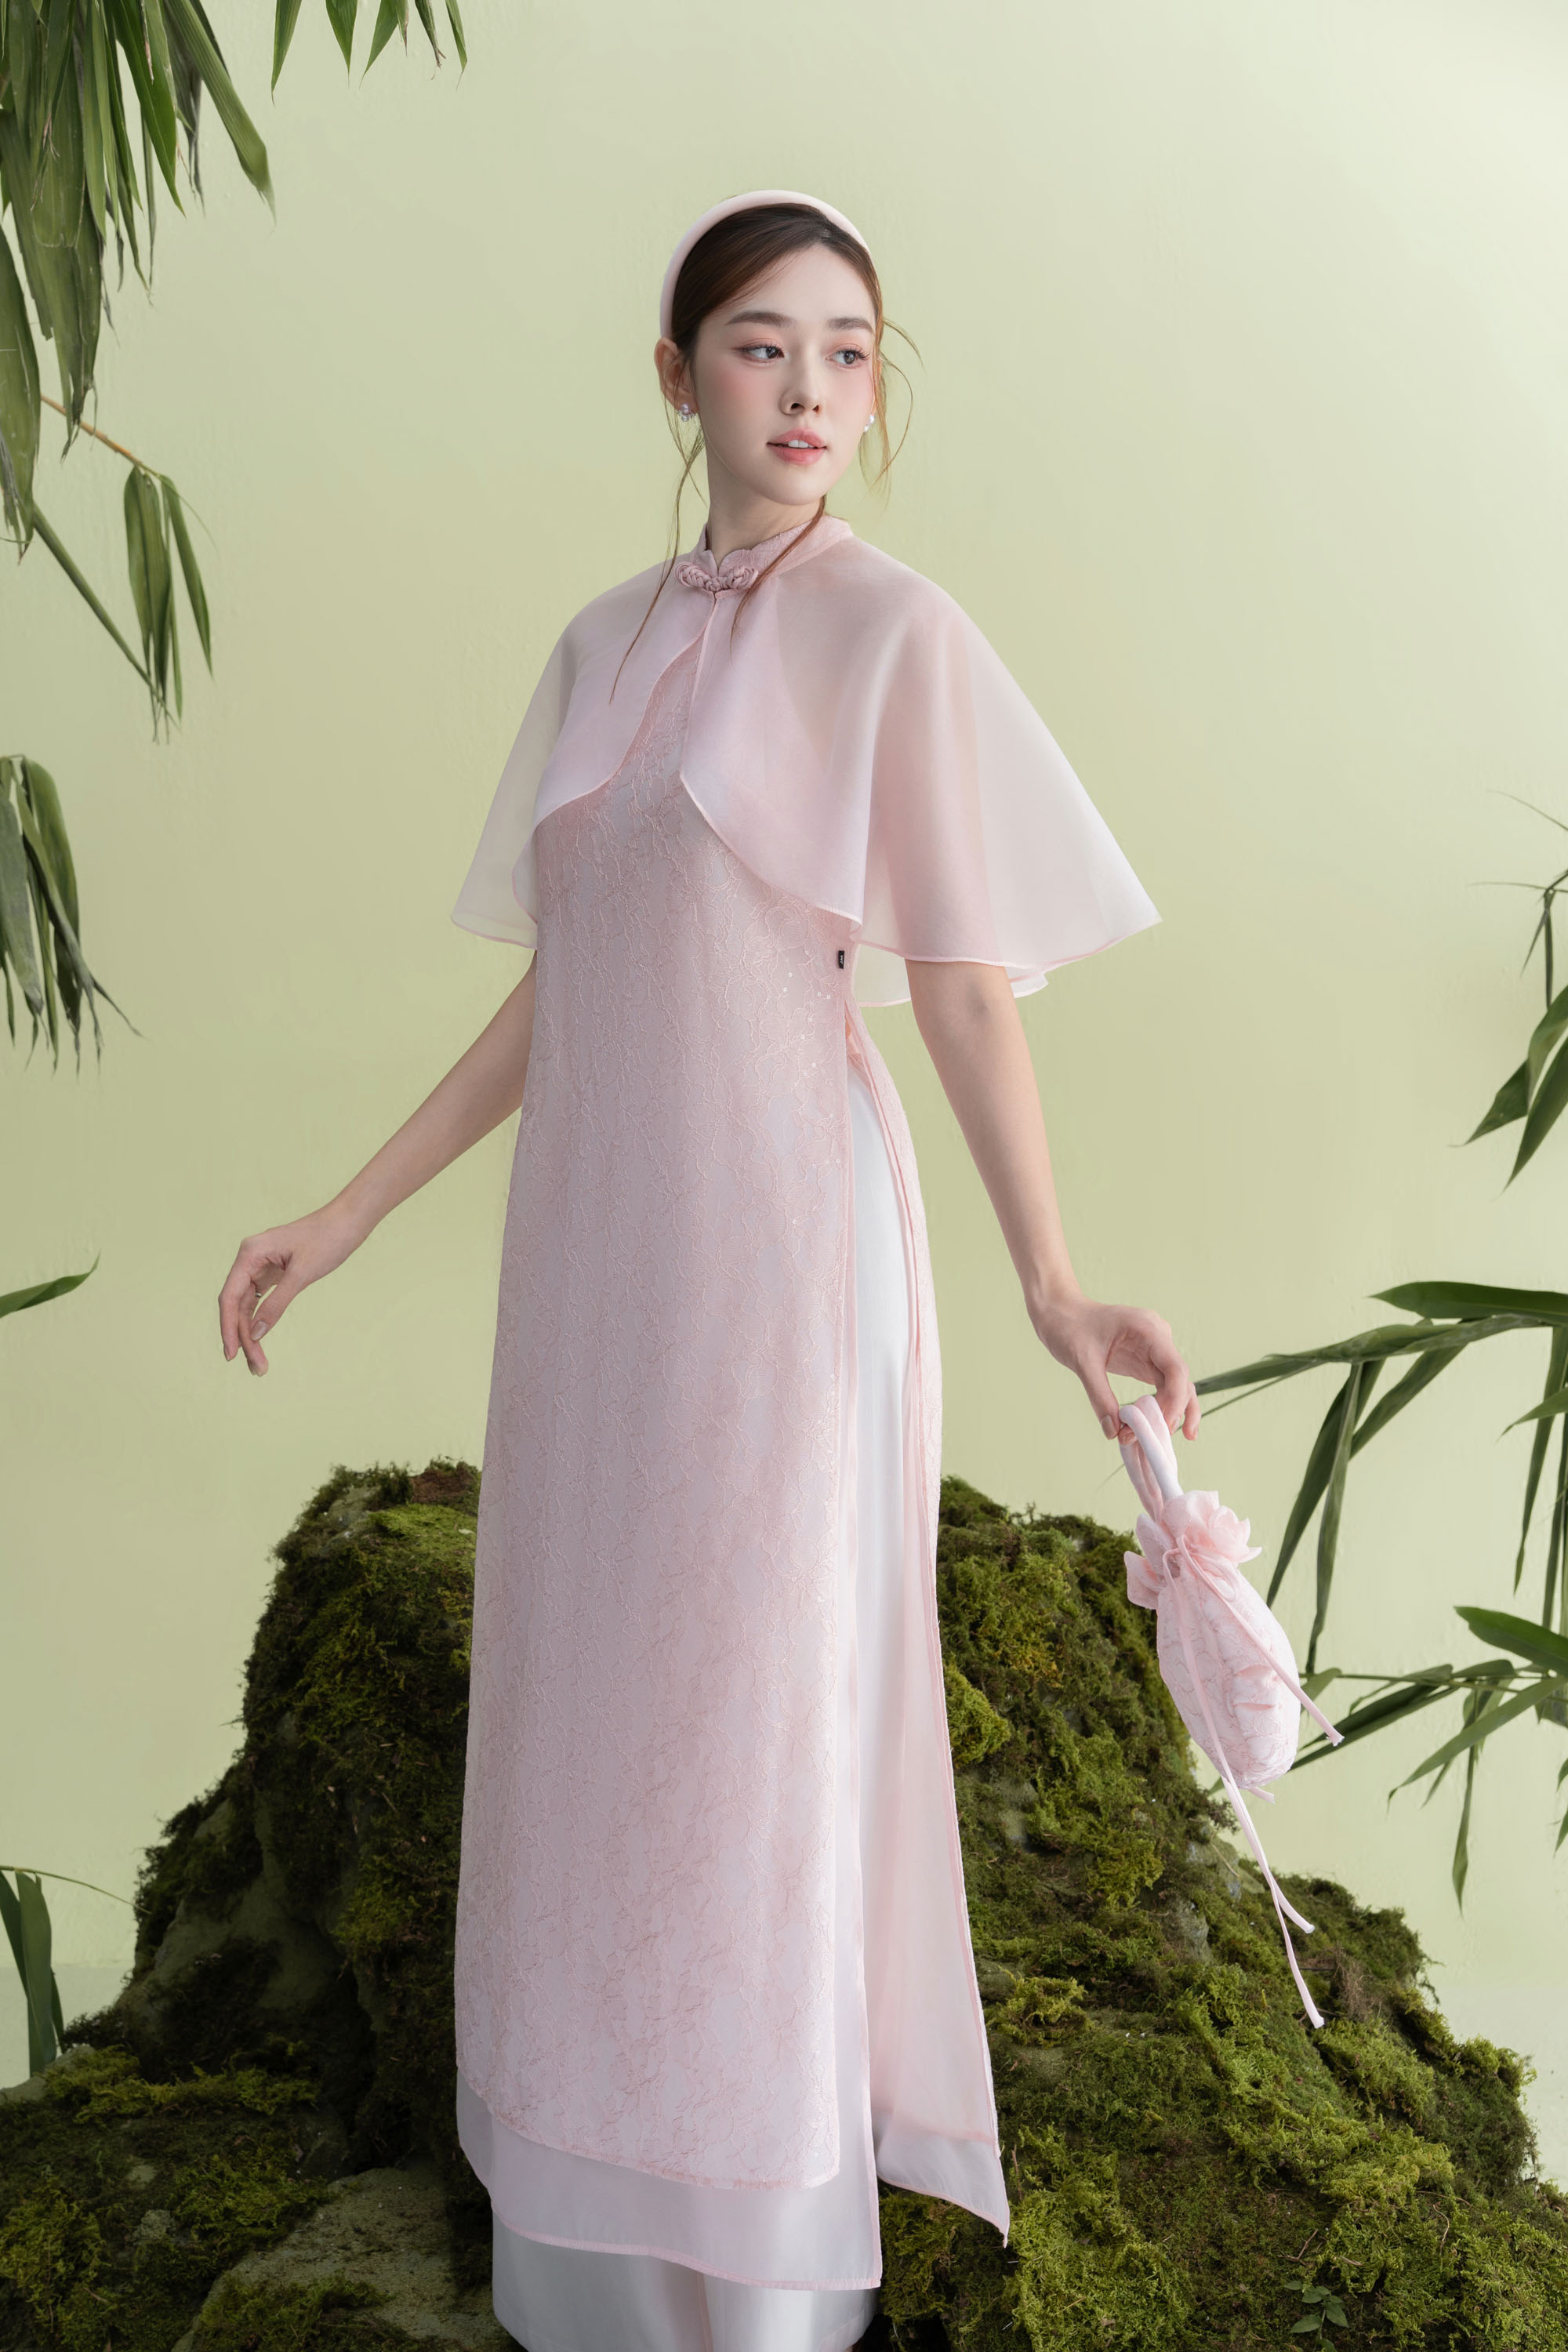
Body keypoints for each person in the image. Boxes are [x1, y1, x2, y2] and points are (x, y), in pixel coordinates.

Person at [219, 189, 1200, 2352]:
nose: (811, 391)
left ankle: (751, 2280)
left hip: (781, 1243)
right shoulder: (601, 642)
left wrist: (1055, 1282)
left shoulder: (895, 635)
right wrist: (350, 1209)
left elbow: (962, 986)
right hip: (599, 1258)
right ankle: (592, 2240)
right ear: (677, 378)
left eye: (850, 351)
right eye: (762, 346)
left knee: (752, 1715)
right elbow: (568, 980)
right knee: (592, 1705)